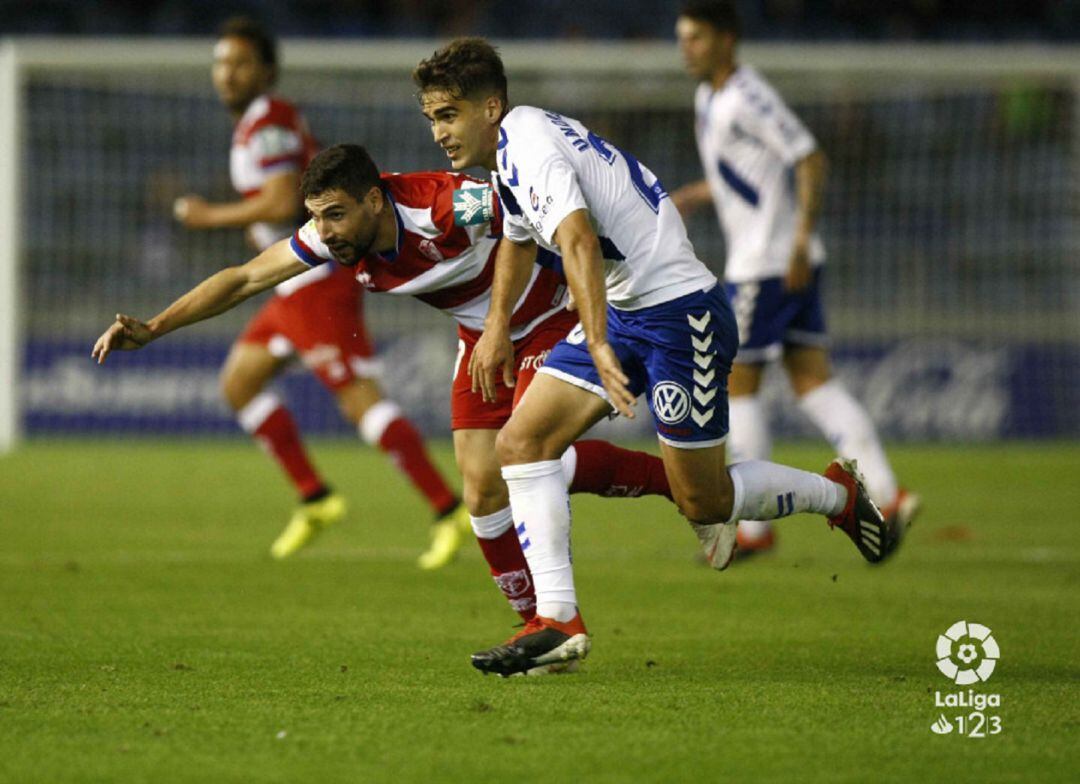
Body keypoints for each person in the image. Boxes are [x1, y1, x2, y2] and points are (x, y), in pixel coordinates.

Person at [412, 37, 902, 677]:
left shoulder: (528, 143)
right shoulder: (512, 152)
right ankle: (558, 621)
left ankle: (834, 495)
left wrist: (595, 338)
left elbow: (579, 241)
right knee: (520, 444)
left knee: (703, 500)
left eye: (448, 115)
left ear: (490, 106)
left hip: (680, 314)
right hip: (625, 309)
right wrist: (498, 325)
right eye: (431, 119)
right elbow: (518, 238)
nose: (438, 133)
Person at [93, 144, 679, 663]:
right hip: (480, 336)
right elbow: (245, 278)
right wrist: (155, 326)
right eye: (317, 218)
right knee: (479, 486)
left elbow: (527, 212)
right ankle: (540, 626)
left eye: (337, 214)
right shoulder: (332, 235)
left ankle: (643, 525)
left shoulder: (445, 205)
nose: (327, 231)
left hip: (549, 317)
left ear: (375, 200)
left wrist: (518, 314)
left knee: (519, 455)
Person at [172, 17, 467, 567]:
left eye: (239, 63)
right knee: (239, 382)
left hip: (314, 281)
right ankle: (315, 497)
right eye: (220, 63)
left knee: (360, 404)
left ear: (265, 71)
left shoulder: (271, 122)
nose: (226, 74)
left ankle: (448, 509)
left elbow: (285, 200)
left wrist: (209, 214)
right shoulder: (257, 124)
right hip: (290, 294)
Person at [672, 0, 920, 557]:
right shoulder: (709, 97)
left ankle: (756, 528)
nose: (686, 48)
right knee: (813, 381)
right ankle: (889, 494)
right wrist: (696, 193)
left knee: (737, 385)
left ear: (726, 40)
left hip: (769, 263)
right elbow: (747, 176)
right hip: (781, 259)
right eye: (682, 38)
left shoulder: (747, 95)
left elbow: (808, 158)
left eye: (696, 37)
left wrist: (801, 239)